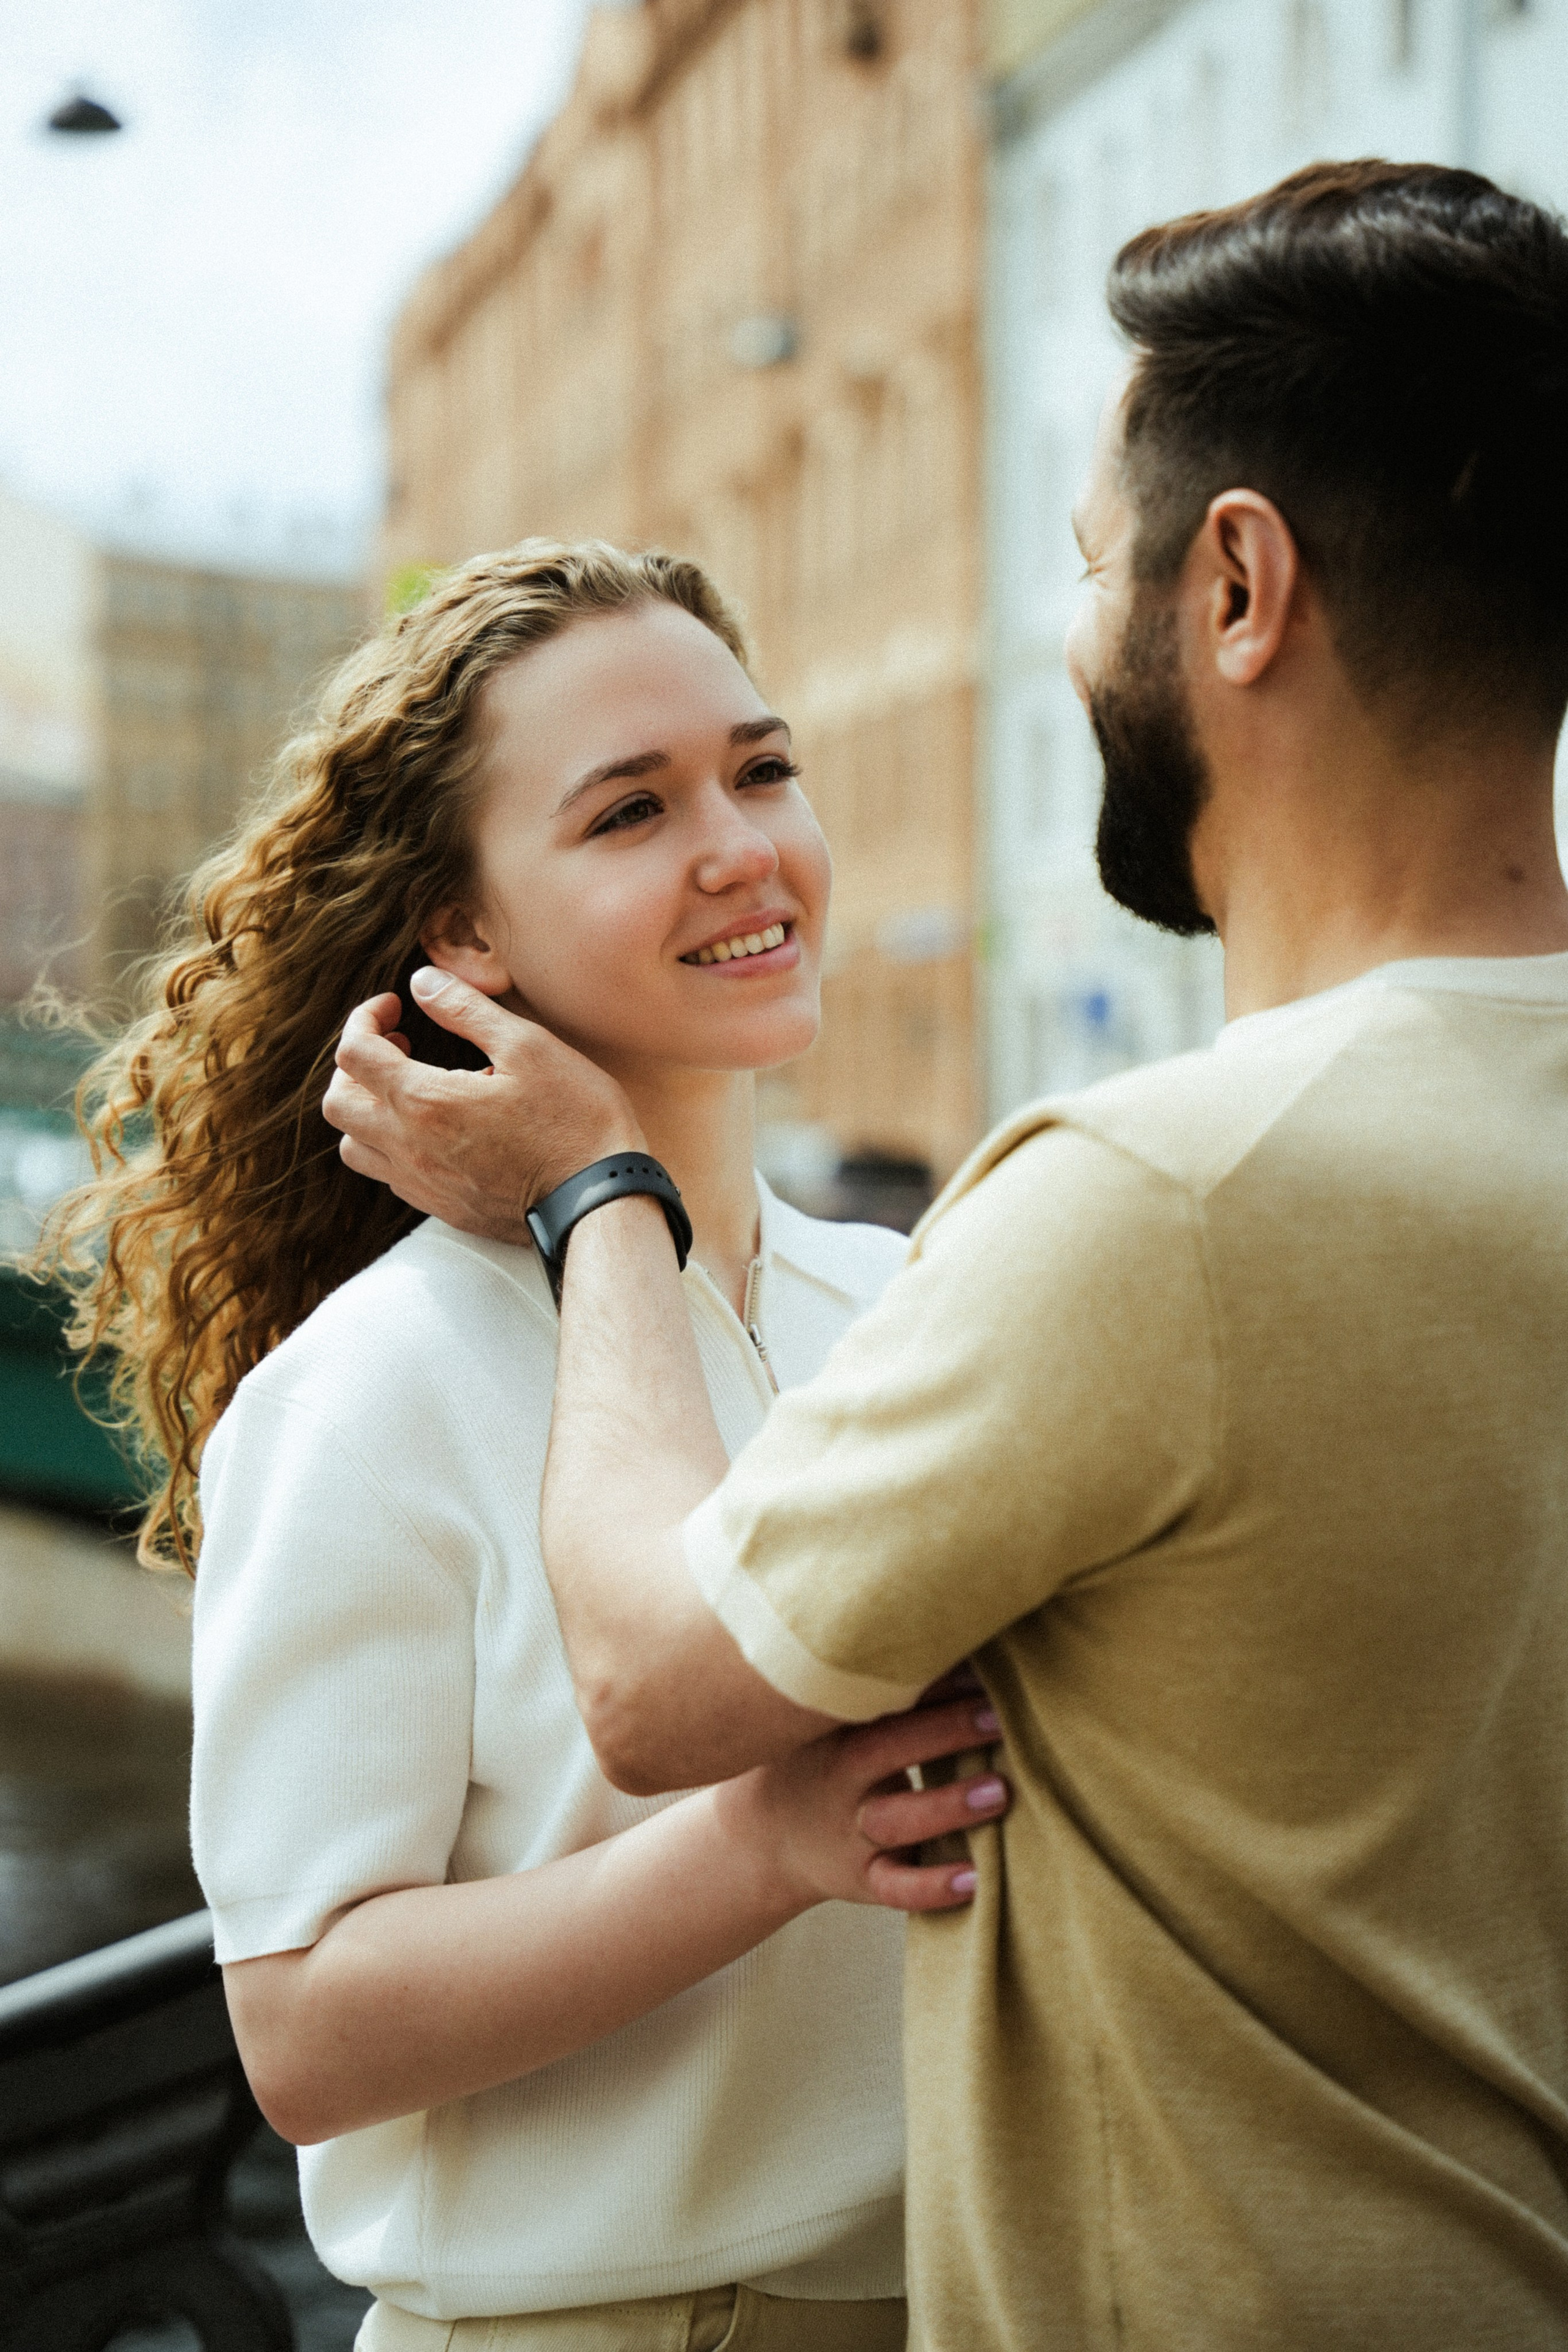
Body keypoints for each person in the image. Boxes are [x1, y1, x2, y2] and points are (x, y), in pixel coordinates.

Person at [325, 161, 1568, 2350]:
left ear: (1242, 586)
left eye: (1097, 566)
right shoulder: (377, 1385)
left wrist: (594, 1196)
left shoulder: (1158, 1202)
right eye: (631, 807)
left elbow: (650, 1671)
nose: (1069, 633)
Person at [39, 540, 1017, 2351]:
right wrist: (761, 1847)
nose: (742, 845)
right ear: (465, 936)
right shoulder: (372, 1389)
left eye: (763, 768)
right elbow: (305, 2028)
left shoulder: (918, 1297)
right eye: (631, 810)